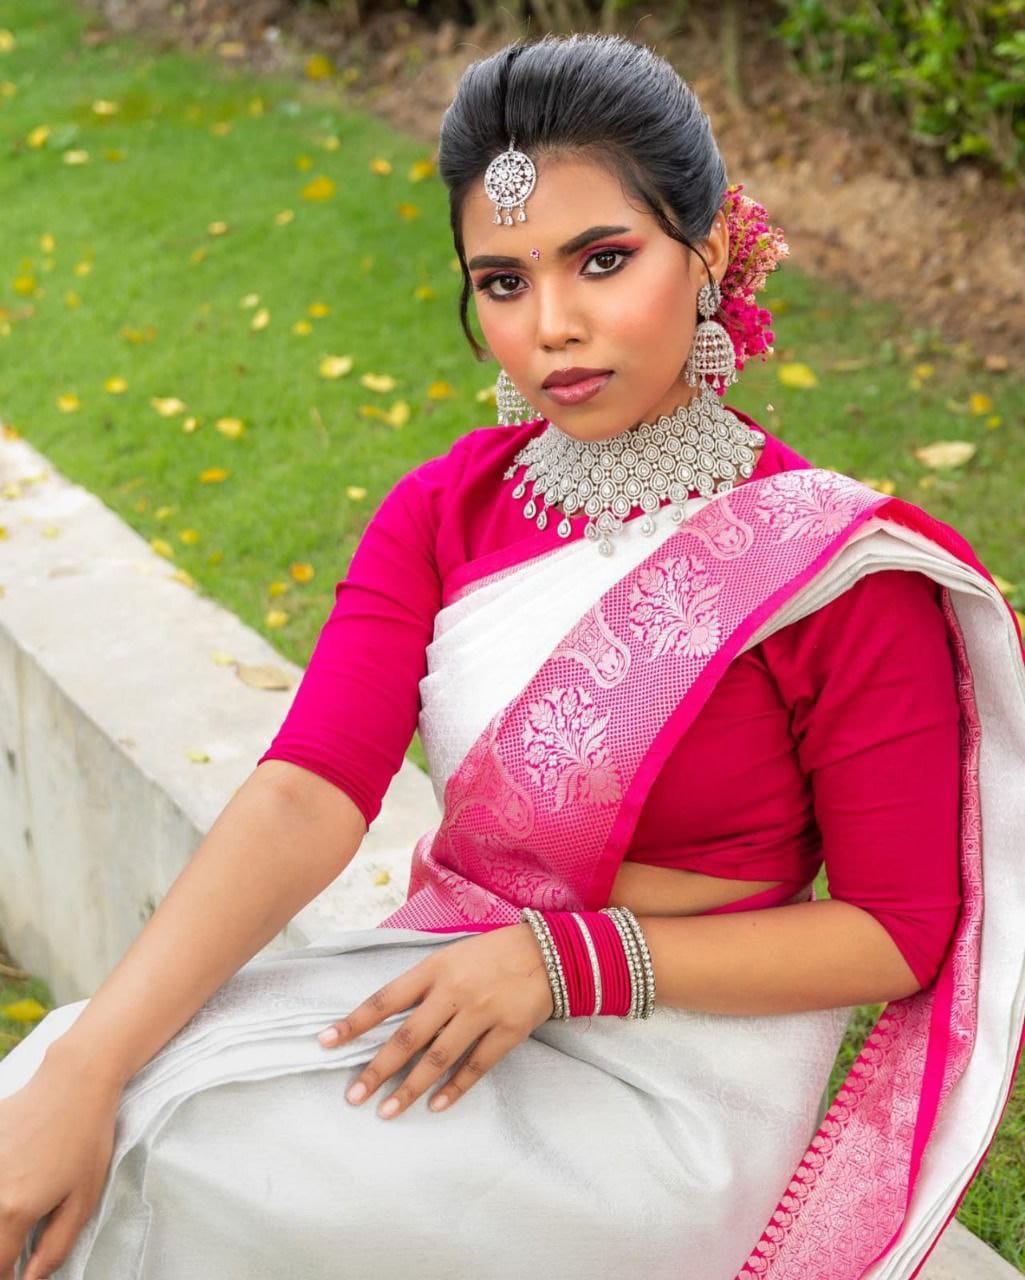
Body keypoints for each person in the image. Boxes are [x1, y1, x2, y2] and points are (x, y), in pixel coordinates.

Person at [1, 31, 1023, 1280]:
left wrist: (561, 959)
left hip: (667, 1085)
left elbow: (894, 928)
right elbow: (307, 790)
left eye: (604, 260)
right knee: (58, 1097)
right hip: (441, 986)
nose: (552, 326)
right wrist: (88, 1059)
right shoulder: (443, 511)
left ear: (705, 254)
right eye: (501, 281)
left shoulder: (834, 573)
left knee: (188, 1166)